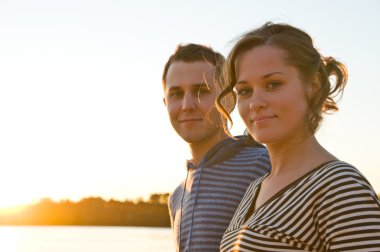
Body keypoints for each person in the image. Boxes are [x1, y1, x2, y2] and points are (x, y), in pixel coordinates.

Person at [216, 22, 380, 251]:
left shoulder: (339, 186)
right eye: (245, 91)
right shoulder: (256, 187)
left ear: (313, 85)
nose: (255, 103)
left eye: (273, 84)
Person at [162, 43, 271, 251]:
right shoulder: (177, 195)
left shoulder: (264, 165)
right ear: (166, 104)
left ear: (228, 100)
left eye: (201, 90)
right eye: (176, 94)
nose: (187, 105)